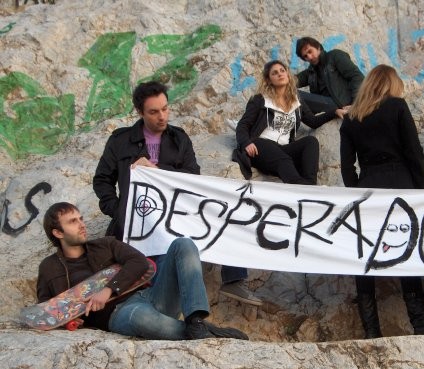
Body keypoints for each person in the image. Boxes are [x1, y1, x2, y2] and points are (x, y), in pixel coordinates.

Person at [93, 81, 261, 306]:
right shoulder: (120, 140)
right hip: (137, 222)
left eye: (165, 108)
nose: (162, 116)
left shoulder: (179, 138)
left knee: (228, 215)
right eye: (154, 112)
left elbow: (193, 177)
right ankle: (162, 309)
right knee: (155, 268)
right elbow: (102, 180)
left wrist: (156, 170)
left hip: (177, 214)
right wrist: (118, 210)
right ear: (140, 112)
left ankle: (234, 279)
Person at [37, 202, 248, 340]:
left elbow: (139, 262)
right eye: (73, 222)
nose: (82, 225)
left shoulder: (105, 244)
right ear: (58, 232)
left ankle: (195, 320)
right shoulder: (49, 267)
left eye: (81, 218)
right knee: (140, 317)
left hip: (150, 296)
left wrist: (108, 289)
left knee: (183, 244)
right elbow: (46, 310)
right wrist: (68, 320)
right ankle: (206, 333)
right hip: (119, 315)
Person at [339, 64, 424, 338]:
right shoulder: (398, 106)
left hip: (368, 187)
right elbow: (414, 150)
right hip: (401, 183)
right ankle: (420, 326)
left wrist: (356, 191)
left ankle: (371, 331)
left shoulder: (352, 117)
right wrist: (419, 187)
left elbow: (347, 166)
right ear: (391, 83)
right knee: (406, 251)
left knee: (365, 254)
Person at [233, 60, 346, 184]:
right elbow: (243, 125)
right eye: (274, 73)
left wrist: (334, 112)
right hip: (260, 146)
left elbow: (313, 121)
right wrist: (246, 143)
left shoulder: (296, 101)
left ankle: (310, 185)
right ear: (269, 80)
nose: (280, 74)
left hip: (283, 148)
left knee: (310, 142)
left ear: (287, 74)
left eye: (282, 71)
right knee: (284, 160)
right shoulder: (260, 100)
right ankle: (297, 186)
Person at [295, 36, 364, 113]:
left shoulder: (334, 56)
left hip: (342, 104)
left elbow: (356, 76)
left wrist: (356, 104)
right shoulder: (311, 72)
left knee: (298, 95)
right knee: (292, 95)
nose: (309, 57)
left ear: (318, 47)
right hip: (328, 109)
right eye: (305, 56)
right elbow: (292, 81)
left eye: (310, 51)